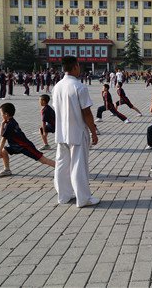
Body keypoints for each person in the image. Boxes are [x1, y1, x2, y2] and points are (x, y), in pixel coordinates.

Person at [52, 56, 100, 208]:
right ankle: (83, 198)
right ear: (75, 67)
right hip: (77, 131)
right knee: (78, 166)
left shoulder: (57, 86)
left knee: (62, 164)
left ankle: (64, 196)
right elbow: (86, 113)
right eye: (79, 66)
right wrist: (93, 131)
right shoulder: (79, 87)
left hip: (61, 132)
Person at [0, 103, 55, 178]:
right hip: (16, 146)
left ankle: (62, 168)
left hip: (25, 146)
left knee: (43, 160)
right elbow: (2, 134)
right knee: (4, 151)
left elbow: (3, 138)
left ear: (6, 114)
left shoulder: (9, 125)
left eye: (1, 114)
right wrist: (2, 123)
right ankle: (7, 170)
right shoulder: (11, 121)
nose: (1, 116)